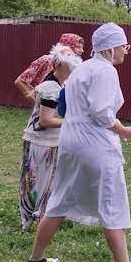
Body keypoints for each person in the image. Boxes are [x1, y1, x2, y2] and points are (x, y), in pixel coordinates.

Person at [25, 22, 131, 262]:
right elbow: (102, 112)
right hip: (94, 146)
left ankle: (36, 261)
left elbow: (70, 105)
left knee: (60, 199)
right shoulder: (105, 71)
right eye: (124, 46)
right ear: (110, 47)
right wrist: (124, 130)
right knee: (111, 202)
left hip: (71, 142)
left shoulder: (81, 69)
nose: (126, 52)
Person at [19, 44, 82, 232]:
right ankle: (33, 218)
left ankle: (38, 218)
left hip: (49, 141)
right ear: (61, 65)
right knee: (38, 181)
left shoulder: (59, 86)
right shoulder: (50, 88)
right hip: (41, 142)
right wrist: (73, 121)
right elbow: (46, 120)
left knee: (47, 181)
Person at [14, 33, 85, 102]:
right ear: (67, 47)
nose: (82, 51)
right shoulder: (47, 60)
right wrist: (36, 101)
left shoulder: (74, 66)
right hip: (46, 108)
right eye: (78, 47)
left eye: (82, 48)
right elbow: (20, 82)